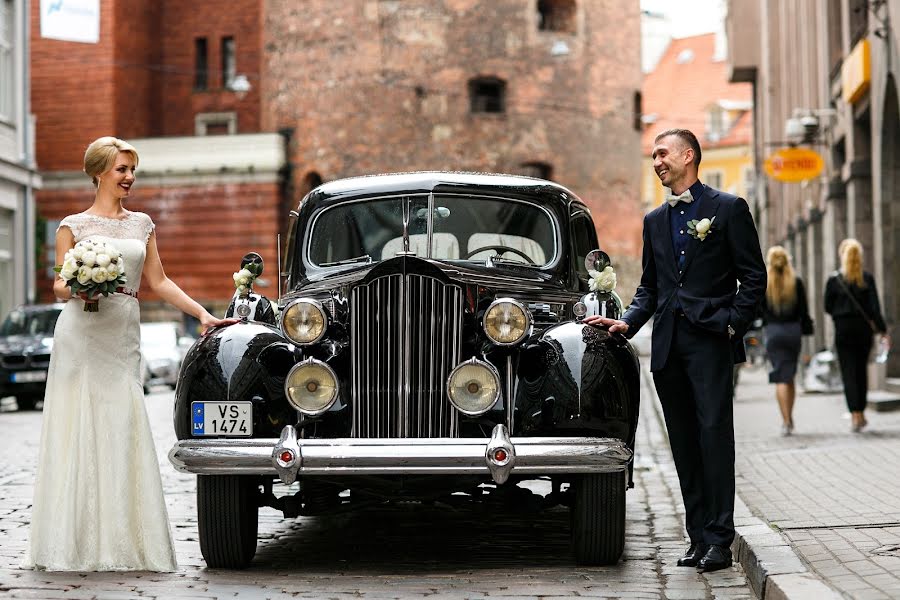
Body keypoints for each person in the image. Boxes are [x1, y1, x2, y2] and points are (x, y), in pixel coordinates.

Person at [25, 136, 236, 571]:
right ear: (99, 172)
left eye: (132, 170)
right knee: (78, 425)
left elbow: (158, 281)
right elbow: (59, 286)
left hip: (122, 333)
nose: (129, 178)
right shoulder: (73, 225)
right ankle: (75, 543)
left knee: (122, 423)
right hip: (81, 333)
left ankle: (125, 541)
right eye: (122, 169)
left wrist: (203, 314)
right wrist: (81, 283)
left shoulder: (142, 224)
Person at [585, 129, 765, 573]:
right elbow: (651, 286)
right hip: (667, 347)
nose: (657, 162)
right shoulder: (653, 220)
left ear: (689, 155)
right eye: (653, 156)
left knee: (713, 437)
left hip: (709, 343)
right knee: (683, 443)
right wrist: (627, 322)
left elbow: (754, 278)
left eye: (663, 153)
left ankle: (721, 539)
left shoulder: (728, 209)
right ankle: (698, 536)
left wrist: (730, 324)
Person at [824, 238, 888, 433]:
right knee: (860, 371)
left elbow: (827, 307)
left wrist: (840, 313)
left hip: (843, 329)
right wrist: (883, 330)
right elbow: (875, 309)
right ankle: (861, 411)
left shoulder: (834, 280)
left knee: (848, 371)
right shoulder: (866, 279)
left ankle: (854, 415)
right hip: (863, 330)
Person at [762, 246, 812, 436]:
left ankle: (785, 421)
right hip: (793, 332)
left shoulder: (765, 284)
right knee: (789, 375)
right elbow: (803, 311)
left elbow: (759, 311)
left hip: (773, 332)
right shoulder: (796, 282)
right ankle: (790, 418)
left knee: (780, 377)